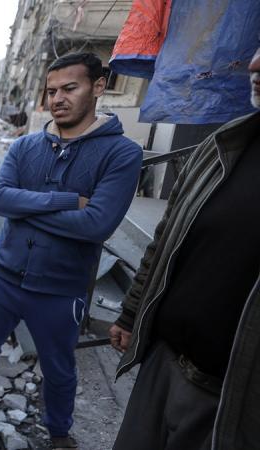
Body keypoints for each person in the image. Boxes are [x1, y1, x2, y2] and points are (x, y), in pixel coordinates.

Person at [0, 52, 142, 450]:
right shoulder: (26, 145)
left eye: (70, 88)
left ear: (98, 87)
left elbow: (96, 225)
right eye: (51, 91)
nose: (58, 98)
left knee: (59, 368)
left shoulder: (122, 153)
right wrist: (66, 201)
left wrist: (26, 208)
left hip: (60, 289)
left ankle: (59, 431)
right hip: (3, 274)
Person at [110, 46, 260, 450]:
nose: (254, 63)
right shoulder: (222, 146)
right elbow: (165, 239)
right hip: (162, 363)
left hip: (230, 405)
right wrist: (131, 314)